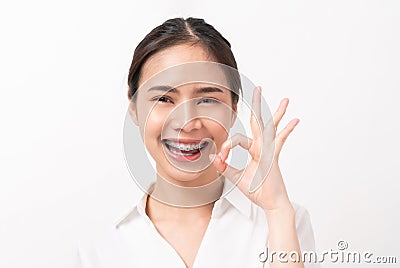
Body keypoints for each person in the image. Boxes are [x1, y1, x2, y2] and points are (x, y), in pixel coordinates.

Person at [76, 17, 319, 268]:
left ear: (233, 109)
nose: (187, 122)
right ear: (134, 108)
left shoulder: (282, 220)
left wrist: (277, 210)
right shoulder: (98, 245)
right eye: (163, 99)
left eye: (207, 100)